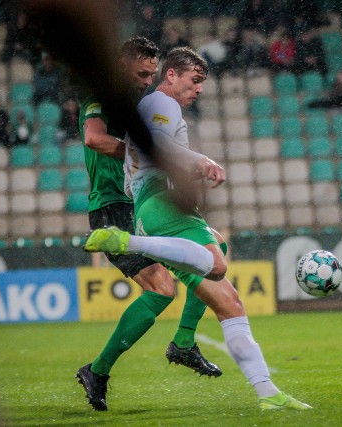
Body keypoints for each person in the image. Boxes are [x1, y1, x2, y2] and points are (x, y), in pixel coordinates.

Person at [83, 46, 311, 412]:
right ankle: (132, 245)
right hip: (150, 205)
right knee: (212, 265)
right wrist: (199, 160)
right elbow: (148, 144)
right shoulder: (159, 103)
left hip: (152, 203)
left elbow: (144, 159)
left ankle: (266, 392)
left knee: (228, 298)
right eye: (195, 81)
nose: (199, 90)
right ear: (170, 75)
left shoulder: (147, 106)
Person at [75, 37, 222, 412]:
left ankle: (183, 342)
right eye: (141, 74)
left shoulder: (139, 107)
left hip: (145, 201)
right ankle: (101, 369)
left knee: (213, 250)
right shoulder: (102, 97)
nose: (146, 81)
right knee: (163, 286)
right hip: (113, 205)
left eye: (151, 75)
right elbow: (93, 138)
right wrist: (144, 151)